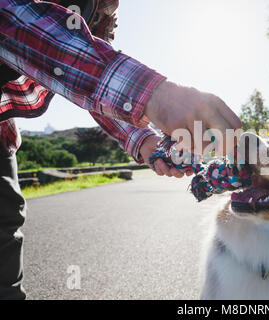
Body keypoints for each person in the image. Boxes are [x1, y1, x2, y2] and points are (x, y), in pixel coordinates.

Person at [0, 0, 241, 299]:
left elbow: (88, 71)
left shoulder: (100, 10)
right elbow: (12, 19)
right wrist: (154, 95)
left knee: (5, 229)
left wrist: (144, 141)